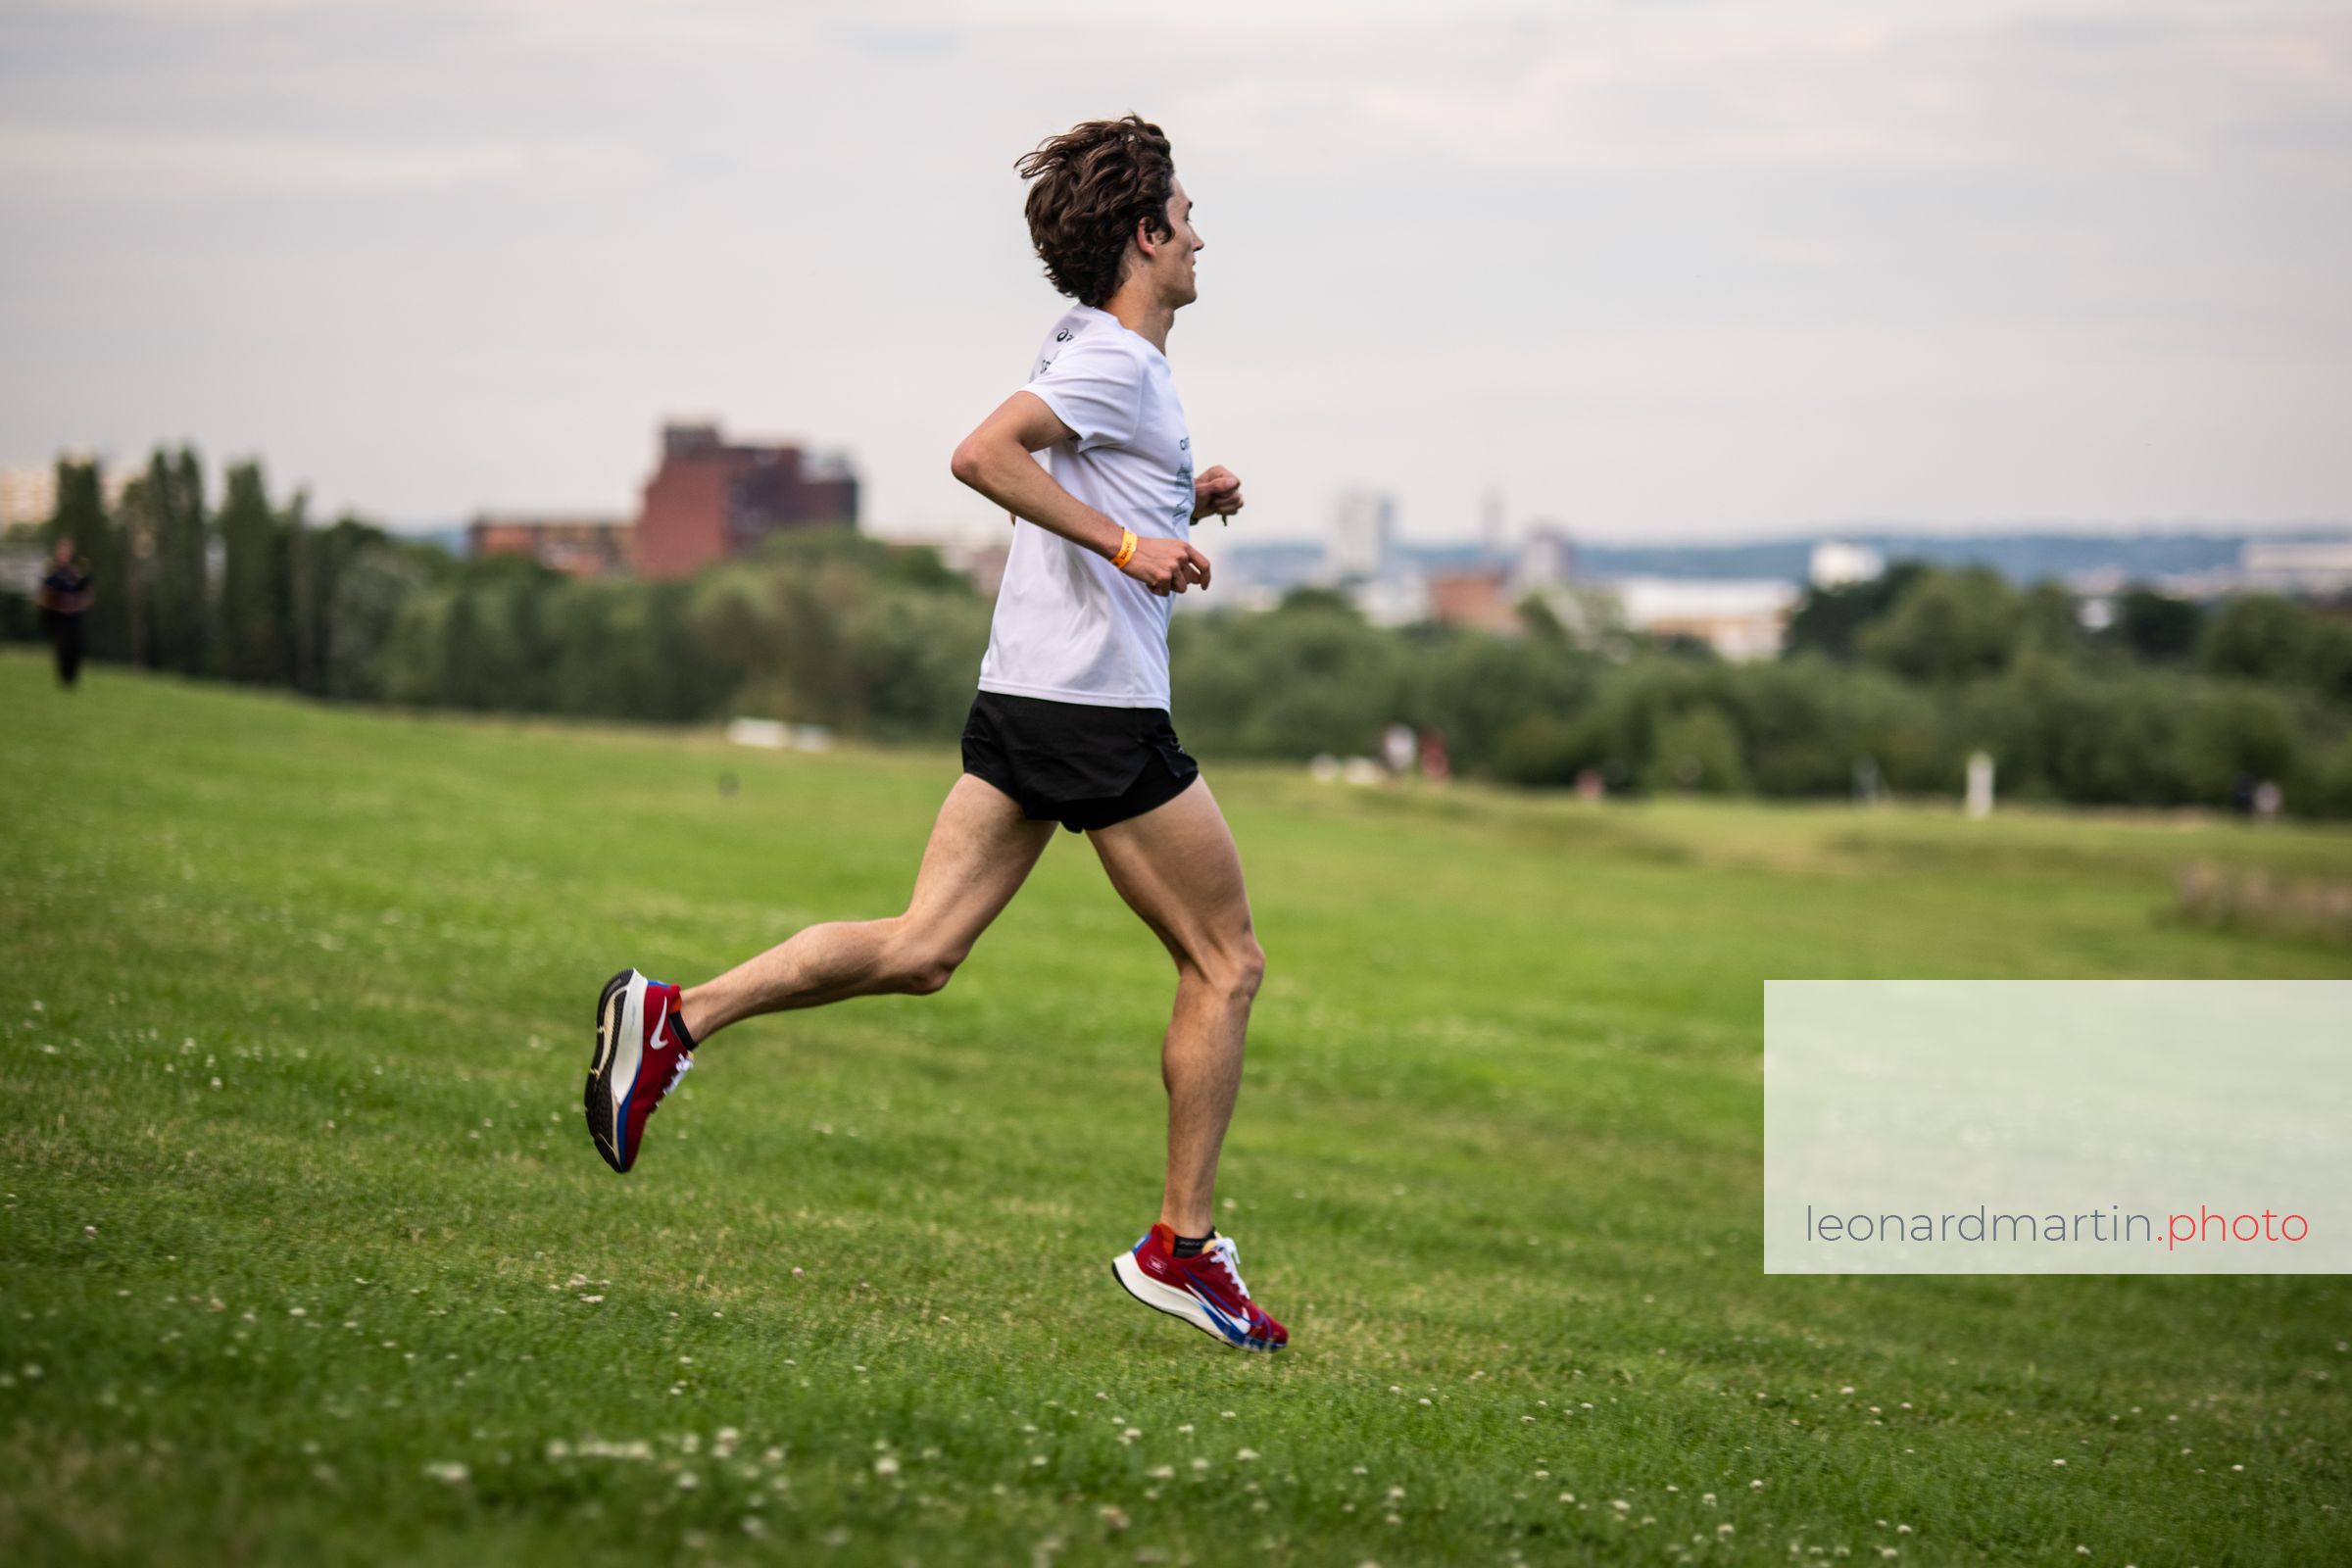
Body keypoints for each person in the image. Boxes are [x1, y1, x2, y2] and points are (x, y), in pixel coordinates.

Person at [585, 115, 1286, 1352]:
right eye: (1185, 217)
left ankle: (672, 1018)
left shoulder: (1092, 350)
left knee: (921, 948)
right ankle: (1182, 1248)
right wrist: (1134, 543)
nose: (1199, 237)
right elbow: (983, 456)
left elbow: (1079, 467)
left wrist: (1182, 497)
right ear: (1144, 234)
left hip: (1027, 694)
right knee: (1226, 961)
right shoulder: (1114, 361)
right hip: (1093, 707)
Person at [35, 536, 94, 690]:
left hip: (75, 617)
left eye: (67, 550)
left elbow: (88, 592)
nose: (65, 554)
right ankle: (64, 678)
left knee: (76, 647)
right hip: (59, 618)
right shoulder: (51, 572)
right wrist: (57, 606)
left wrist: (78, 605)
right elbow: (43, 596)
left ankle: (72, 678)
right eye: (62, 551)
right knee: (63, 646)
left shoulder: (79, 571)